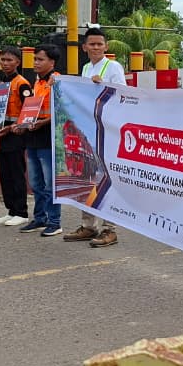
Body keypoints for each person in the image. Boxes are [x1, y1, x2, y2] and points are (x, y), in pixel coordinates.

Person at [62, 26, 125, 248]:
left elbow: (123, 95)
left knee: (108, 179)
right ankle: (88, 225)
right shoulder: (86, 68)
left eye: (100, 44)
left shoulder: (113, 67)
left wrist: (103, 86)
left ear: (106, 46)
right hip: (89, 129)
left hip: (107, 130)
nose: (96, 47)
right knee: (88, 177)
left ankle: (110, 229)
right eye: (92, 44)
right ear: (84, 47)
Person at [14, 44, 62, 237]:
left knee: (50, 184)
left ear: (52, 62)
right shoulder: (37, 82)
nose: (35, 62)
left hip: (48, 137)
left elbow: (61, 110)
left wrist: (43, 122)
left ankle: (54, 222)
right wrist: (23, 124)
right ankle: (40, 218)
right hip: (33, 136)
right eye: (35, 59)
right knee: (35, 183)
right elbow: (32, 109)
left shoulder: (57, 81)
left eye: (40, 59)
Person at [0, 47, 33, 227]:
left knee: (16, 173)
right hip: (1, 133)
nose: (5, 63)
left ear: (18, 62)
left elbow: (29, 111)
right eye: (3, 60)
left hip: (15, 134)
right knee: (5, 174)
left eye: (9, 60)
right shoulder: (1, 83)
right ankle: (11, 210)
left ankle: (21, 212)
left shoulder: (22, 84)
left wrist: (14, 128)